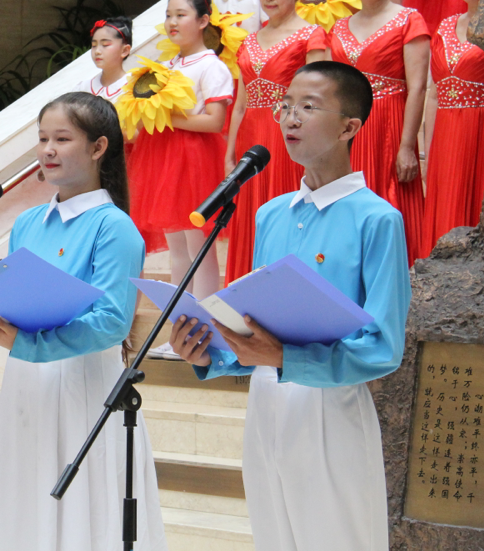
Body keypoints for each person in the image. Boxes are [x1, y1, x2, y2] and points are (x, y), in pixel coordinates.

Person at [169, 61, 411, 551]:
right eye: (285, 106)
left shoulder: (378, 219)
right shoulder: (270, 213)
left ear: (350, 127)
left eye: (308, 106)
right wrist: (209, 353)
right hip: (267, 402)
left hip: (331, 406)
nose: (289, 118)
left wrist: (286, 358)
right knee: (273, 534)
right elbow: (255, 324)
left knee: (338, 537)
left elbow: (384, 347)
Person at [0, 92, 167, 551]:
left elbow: (113, 322)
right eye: (42, 139)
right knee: (27, 495)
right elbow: (9, 305)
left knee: (82, 506)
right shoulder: (29, 222)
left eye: (62, 138)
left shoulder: (113, 227)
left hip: (83, 381)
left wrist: (32, 344)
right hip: (26, 379)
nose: (48, 150)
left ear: (99, 148)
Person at [224, 0, 328, 285]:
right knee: (249, 216)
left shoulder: (312, 35)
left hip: (289, 137)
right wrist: (229, 154)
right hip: (250, 140)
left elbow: (320, 98)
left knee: (287, 213)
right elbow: (240, 105)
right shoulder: (249, 40)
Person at [128, 0, 234, 299]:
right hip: (163, 160)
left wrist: (165, 118)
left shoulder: (211, 65)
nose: (173, 22)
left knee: (198, 247)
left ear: (203, 21)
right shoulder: (167, 66)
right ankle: (178, 323)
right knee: (177, 248)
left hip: (193, 161)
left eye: (181, 15)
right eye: (168, 16)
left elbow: (215, 120)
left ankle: (203, 325)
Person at [328, 0, 429, 261]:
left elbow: (418, 87)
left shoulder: (408, 20)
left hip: (389, 130)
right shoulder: (340, 27)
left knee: (390, 215)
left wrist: (406, 146)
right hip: (346, 136)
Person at [424, 0, 484, 248]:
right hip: (445, 139)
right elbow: (434, 94)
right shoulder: (445, 27)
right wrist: (428, 152)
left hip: (479, 135)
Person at [76, 16, 132, 100]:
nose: (97, 51)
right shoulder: (82, 88)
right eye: (94, 45)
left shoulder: (133, 89)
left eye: (105, 45)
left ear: (124, 50)